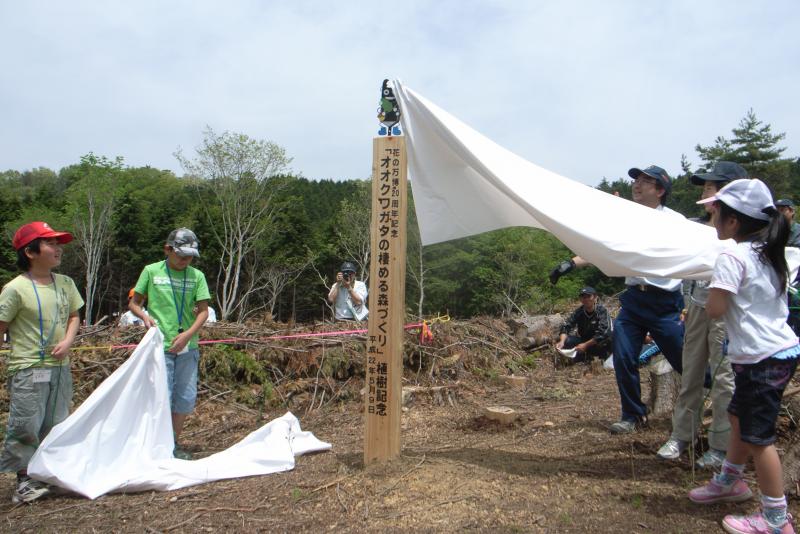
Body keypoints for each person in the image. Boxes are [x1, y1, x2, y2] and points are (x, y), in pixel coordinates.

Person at [688, 179, 799, 534]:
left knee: (758, 438)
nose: (712, 216)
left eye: (716, 211)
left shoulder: (732, 256)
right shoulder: (768, 252)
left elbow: (716, 309)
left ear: (733, 222)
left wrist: (711, 289)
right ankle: (730, 481)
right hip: (776, 351)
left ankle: (776, 520)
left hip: (761, 357)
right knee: (738, 417)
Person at [550, 165, 685, 434]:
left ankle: (727, 396)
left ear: (660, 190)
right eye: (636, 180)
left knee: (683, 360)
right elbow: (602, 249)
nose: (637, 184)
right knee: (623, 357)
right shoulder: (627, 219)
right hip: (634, 300)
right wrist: (570, 263)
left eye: (646, 181)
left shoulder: (675, 221)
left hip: (665, 302)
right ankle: (633, 415)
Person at [657, 162, 744, 467]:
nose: (704, 192)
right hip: (696, 306)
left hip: (726, 310)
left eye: (709, 187)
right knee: (690, 369)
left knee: (723, 377)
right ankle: (682, 435)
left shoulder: (739, 231)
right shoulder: (698, 229)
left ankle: (721, 446)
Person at [0, 222, 84, 503]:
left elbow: (74, 315)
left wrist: (69, 340)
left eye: (58, 243)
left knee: (56, 421)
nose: (58, 249)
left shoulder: (66, 283)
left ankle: (49, 474)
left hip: (60, 367)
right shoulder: (15, 289)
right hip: (28, 367)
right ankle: (24, 481)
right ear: (31, 252)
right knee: (26, 423)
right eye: (50, 243)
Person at [129, 228, 210, 460]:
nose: (186, 261)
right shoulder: (151, 271)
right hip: (159, 347)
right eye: (182, 255)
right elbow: (135, 303)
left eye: (190, 257)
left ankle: (173, 443)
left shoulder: (197, 276)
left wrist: (188, 335)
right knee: (161, 396)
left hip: (188, 347)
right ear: (168, 249)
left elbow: (203, 312)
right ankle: (158, 445)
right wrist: (144, 316)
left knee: (184, 397)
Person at [555, 286, 611, 362]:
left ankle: (595, 357)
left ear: (595, 298)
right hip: (584, 341)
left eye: (589, 296)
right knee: (567, 341)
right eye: (583, 297)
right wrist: (562, 341)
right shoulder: (579, 312)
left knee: (606, 342)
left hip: (598, 343)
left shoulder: (601, 311)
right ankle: (582, 356)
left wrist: (585, 345)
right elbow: (566, 326)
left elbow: (603, 333)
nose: (586, 299)